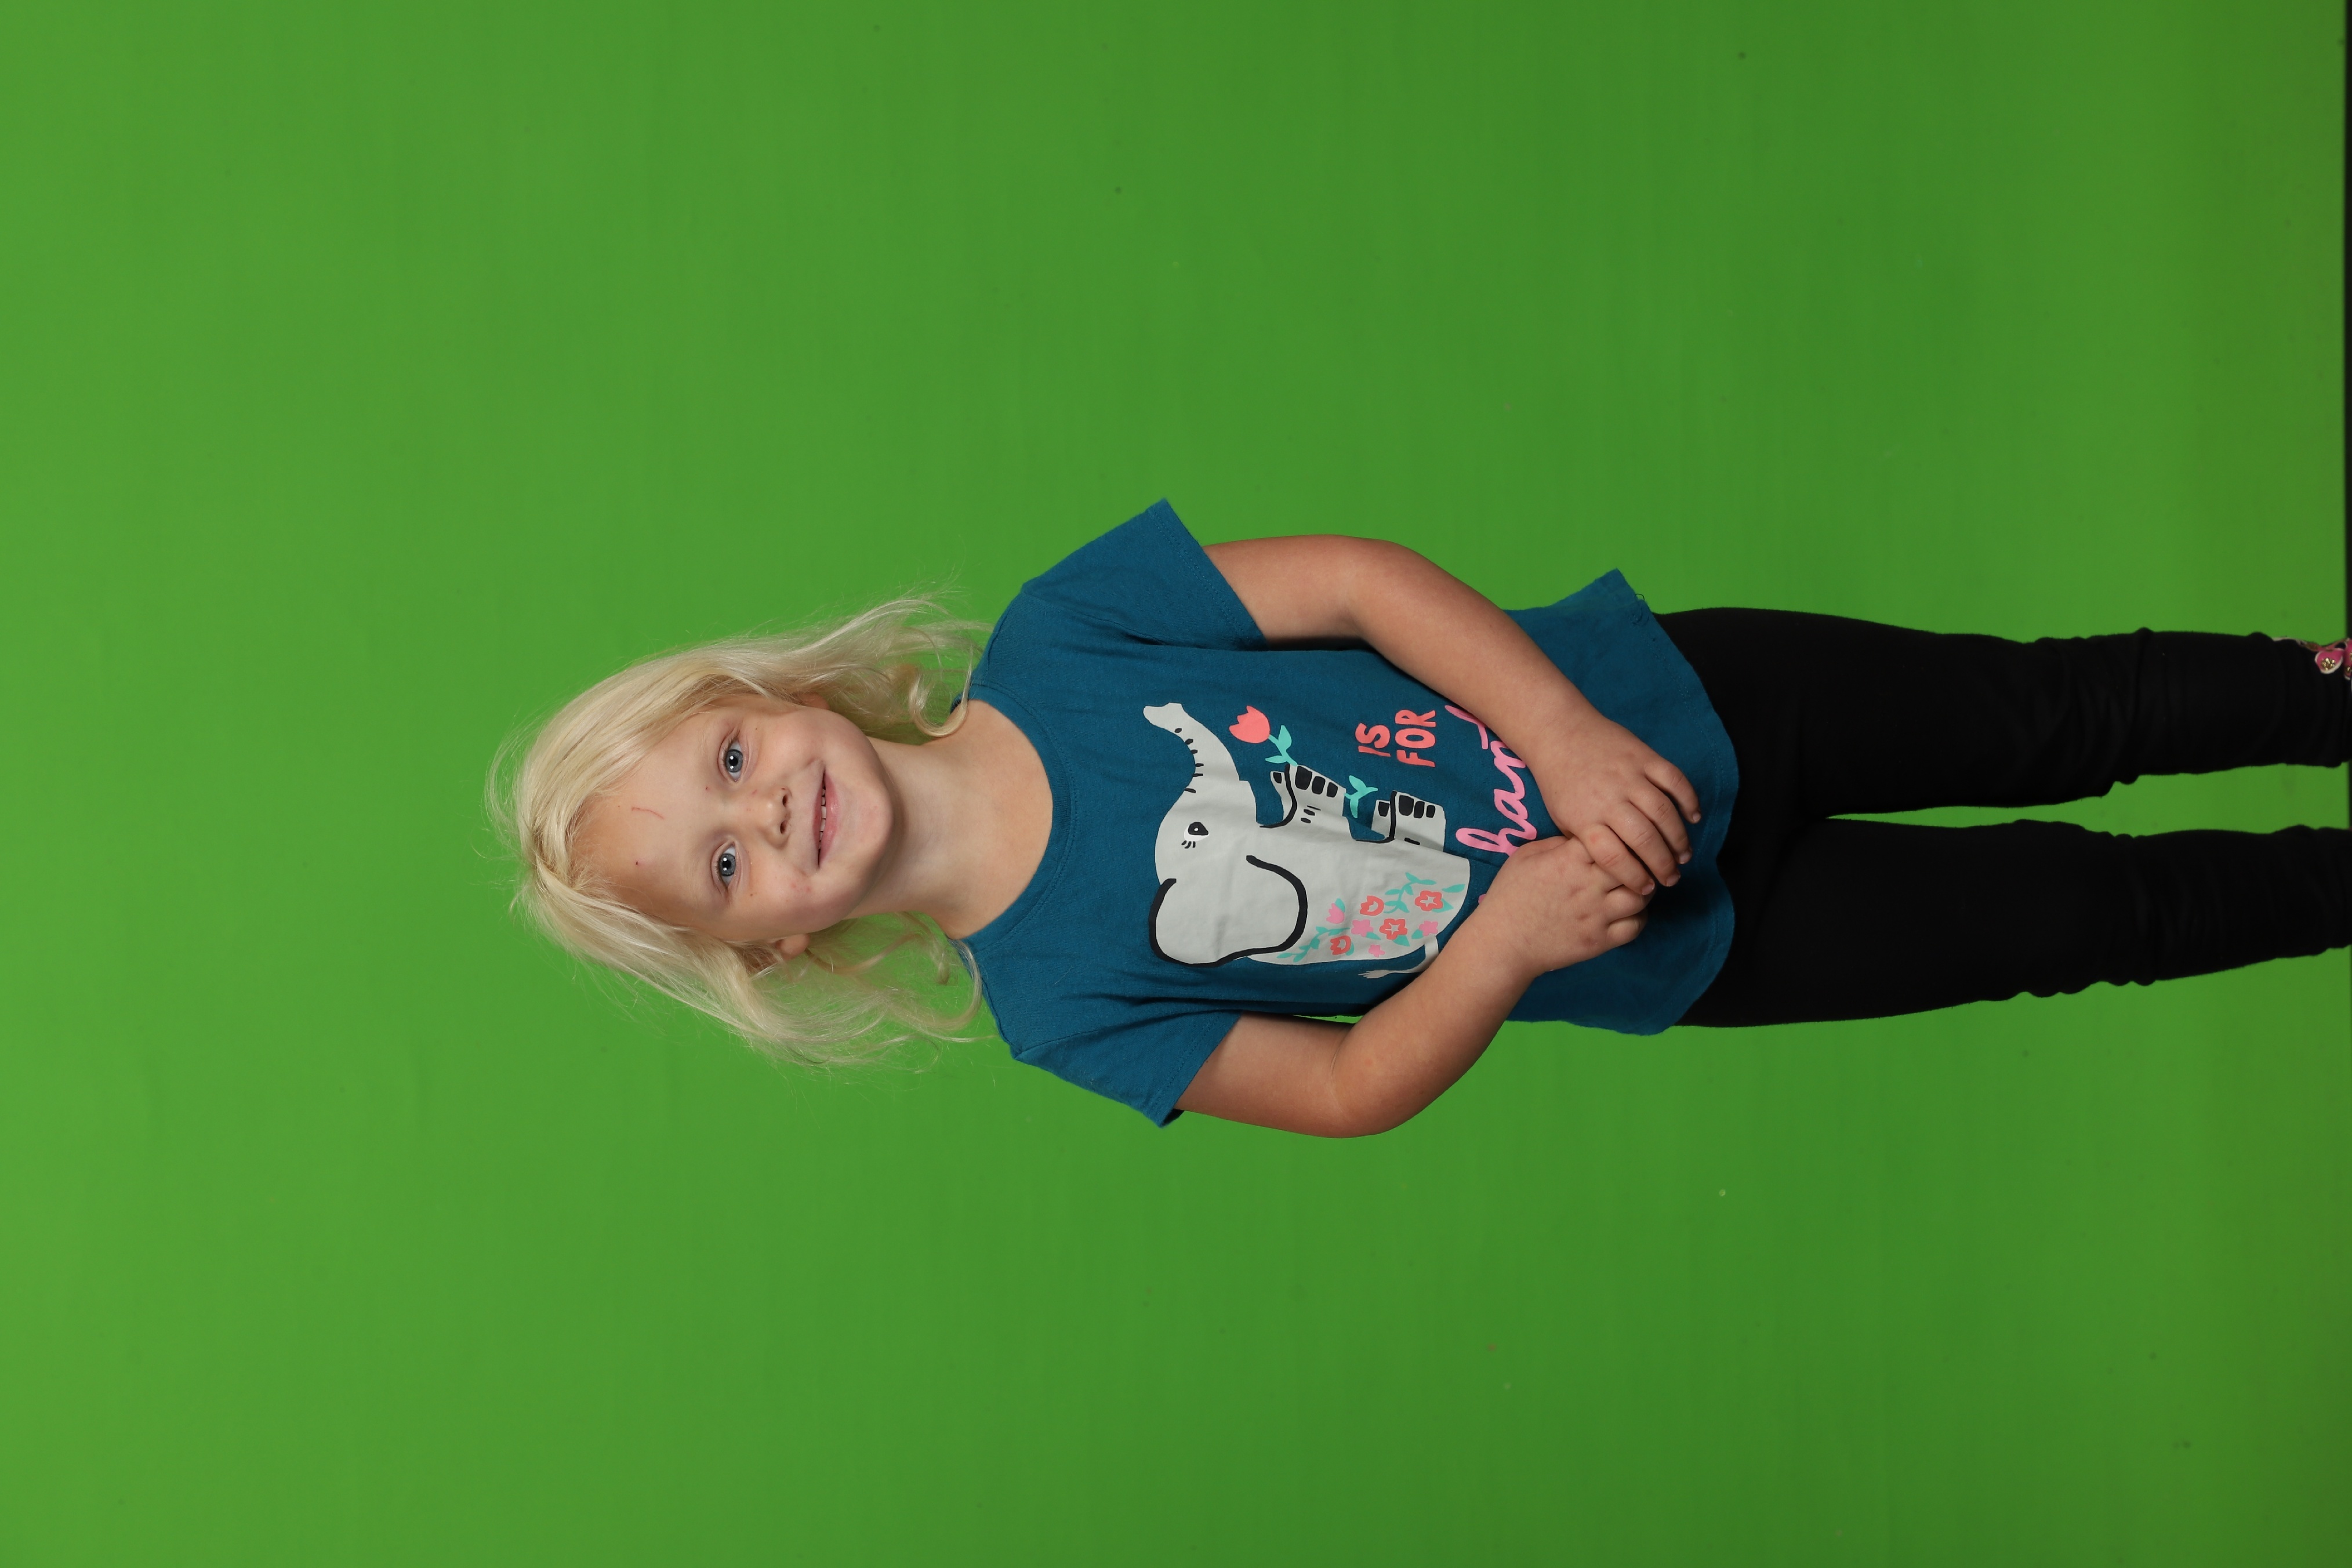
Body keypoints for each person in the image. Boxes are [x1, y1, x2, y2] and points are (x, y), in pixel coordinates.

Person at [493, 501, 2352, 1135]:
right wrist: (1510, 941)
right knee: (2087, 923)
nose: (768, 812)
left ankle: (2321, 690)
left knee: (2054, 712)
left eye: (725, 760)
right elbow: (1342, 1087)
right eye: (723, 867)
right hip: (1690, 945)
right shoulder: (1060, 1011)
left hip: (1674, 701)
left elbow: (1359, 585)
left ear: (770, 697)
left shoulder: (1068, 633)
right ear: (777, 948)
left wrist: (1562, 727)